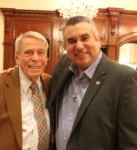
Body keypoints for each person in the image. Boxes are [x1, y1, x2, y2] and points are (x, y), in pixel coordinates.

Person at [48, 16, 137, 150]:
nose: (78, 46)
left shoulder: (124, 78)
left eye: (85, 38)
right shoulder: (61, 70)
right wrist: (17, 72)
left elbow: (131, 141)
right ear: (66, 46)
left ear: (98, 40)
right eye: (71, 41)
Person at [0, 31, 52, 150]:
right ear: (17, 57)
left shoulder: (52, 84)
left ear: (46, 57)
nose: (35, 58)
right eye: (28, 52)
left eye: (41, 53)